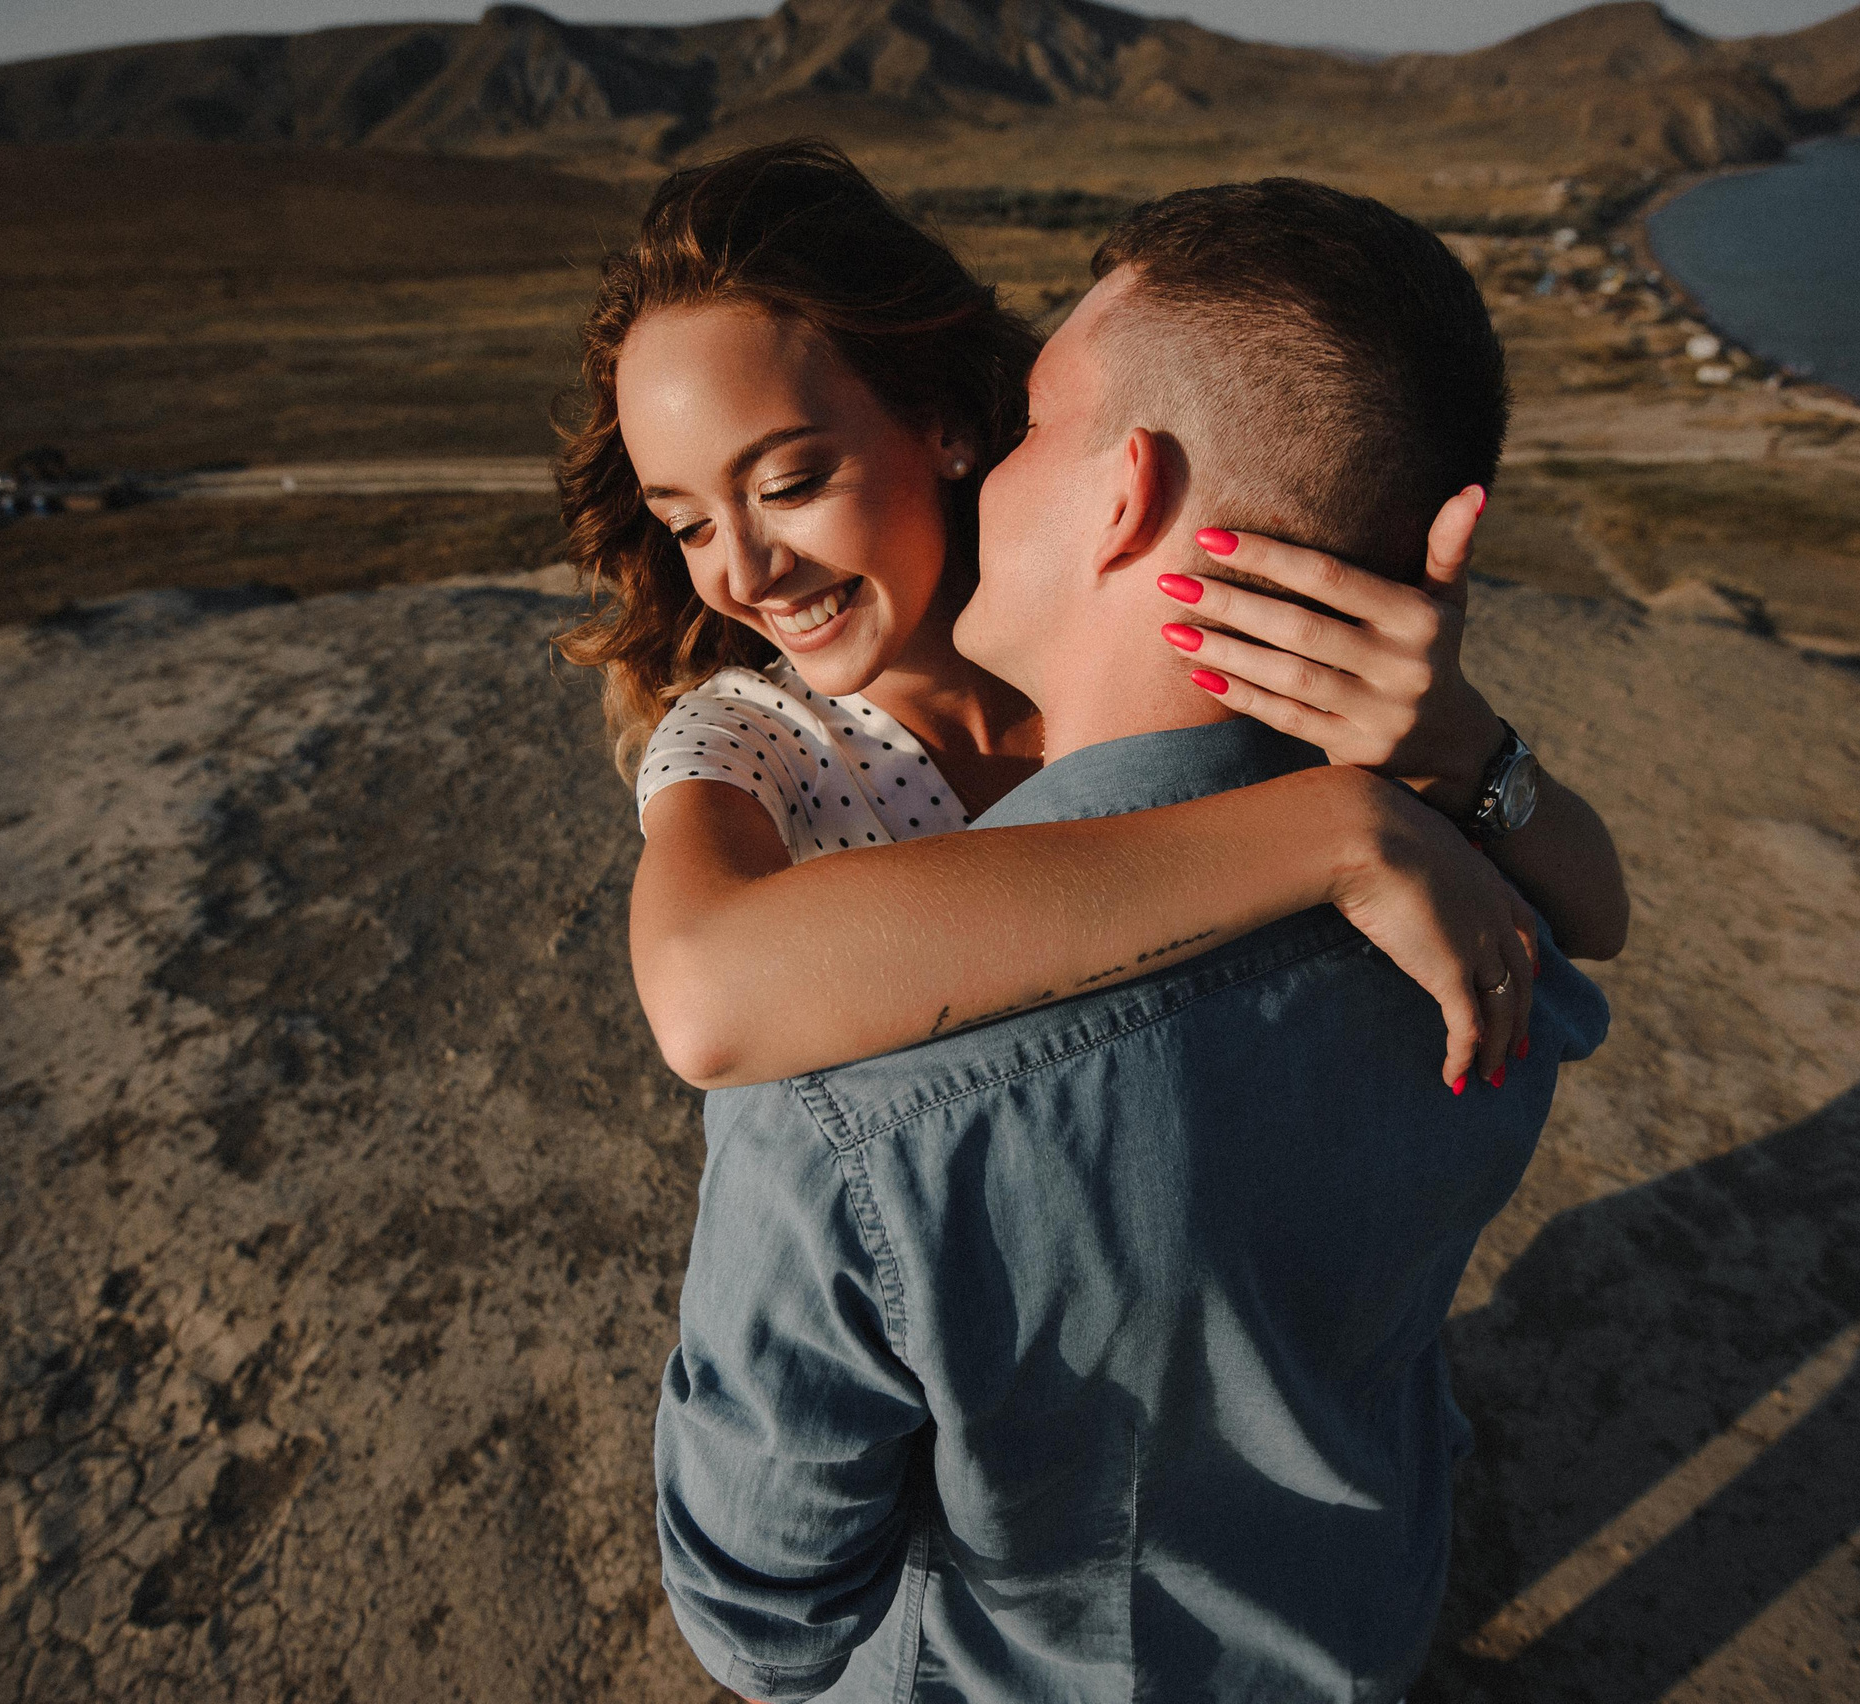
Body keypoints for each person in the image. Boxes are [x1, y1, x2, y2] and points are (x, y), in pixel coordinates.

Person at [648, 178, 1611, 1700]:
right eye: (687, 518)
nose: (742, 566)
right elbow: (1593, 913)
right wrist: (1386, 798)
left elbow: (762, 1623)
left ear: (1125, 494)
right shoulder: (1494, 925)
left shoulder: (838, 1113)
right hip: (1358, 1626)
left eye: (1027, 425)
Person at [554, 142, 1627, 1105]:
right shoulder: (751, 743)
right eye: (686, 524)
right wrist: (1338, 835)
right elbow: (704, 1000)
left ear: (945, 424)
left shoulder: (1127, 638)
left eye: (789, 484)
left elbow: (1595, 918)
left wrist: (1457, 746)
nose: (744, 572)